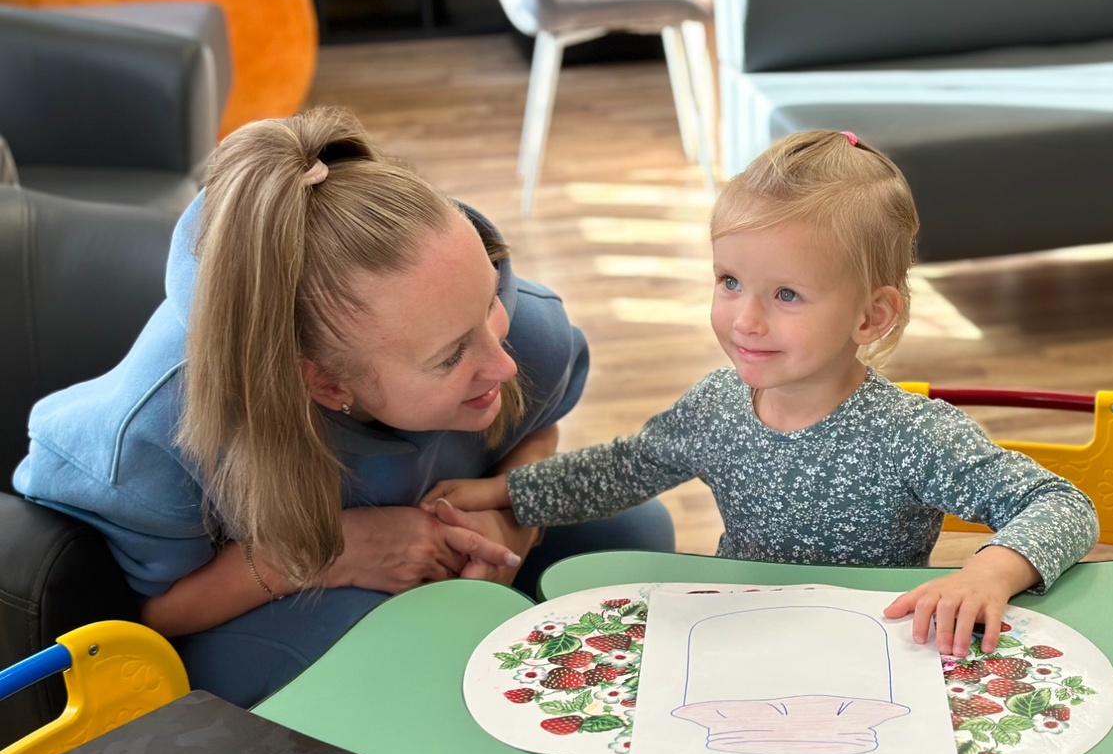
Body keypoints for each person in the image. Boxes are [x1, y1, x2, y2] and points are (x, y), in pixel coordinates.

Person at [13, 106, 673, 706]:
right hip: (247, 597)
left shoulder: (520, 325)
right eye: (450, 357)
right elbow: (147, 612)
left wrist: (512, 519)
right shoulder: (155, 435)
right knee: (410, 650)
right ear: (326, 385)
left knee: (634, 534)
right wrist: (336, 552)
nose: (501, 363)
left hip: (437, 541)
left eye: (488, 305)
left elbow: (539, 425)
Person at [424, 130, 1100, 661]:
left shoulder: (912, 435)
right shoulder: (717, 406)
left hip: (870, 651)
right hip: (735, 635)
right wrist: (504, 491)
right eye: (729, 282)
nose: (745, 320)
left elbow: (1060, 504)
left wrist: (988, 573)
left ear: (871, 316)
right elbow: (624, 468)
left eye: (787, 294)